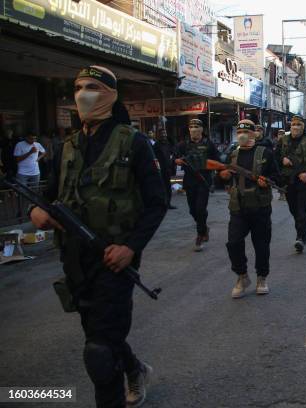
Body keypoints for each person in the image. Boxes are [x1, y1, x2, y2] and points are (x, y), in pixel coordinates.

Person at [29, 65, 167, 408]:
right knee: (100, 335)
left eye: (91, 86)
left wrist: (130, 248)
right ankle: (135, 370)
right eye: (77, 87)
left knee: (99, 354)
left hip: (115, 259)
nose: (82, 94)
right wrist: (38, 214)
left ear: (110, 94)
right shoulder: (67, 147)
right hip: (76, 259)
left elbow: (157, 203)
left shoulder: (133, 143)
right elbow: (47, 197)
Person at [218, 119, 279, 298]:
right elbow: (222, 179)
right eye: (238, 132)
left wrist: (266, 181)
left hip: (260, 207)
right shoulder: (232, 155)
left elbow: (277, 176)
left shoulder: (265, 153)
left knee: (261, 244)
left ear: (253, 133)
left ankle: (262, 277)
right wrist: (223, 176)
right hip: (238, 207)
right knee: (233, 243)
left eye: (245, 132)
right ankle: (242, 276)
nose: (242, 135)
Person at [275, 115, 306, 253]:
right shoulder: (283, 141)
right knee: (294, 209)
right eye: (294, 124)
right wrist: (282, 159)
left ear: (303, 127)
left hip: (304, 183)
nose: (296, 127)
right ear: (290, 126)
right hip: (289, 182)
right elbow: (274, 158)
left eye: (299, 124)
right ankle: (303, 230)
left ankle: (300, 237)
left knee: (302, 209)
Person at [176, 119, 220, 251]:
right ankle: (204, 227)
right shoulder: (183, 145)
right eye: (191, 127)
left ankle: (200, 235)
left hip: (204, 180)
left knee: (200, 208)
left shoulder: (209, 144)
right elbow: (176, 158)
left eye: (196, 126)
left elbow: (217, 160)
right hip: (189, 181)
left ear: (202, 129)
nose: (194, 129)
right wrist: (177, 160)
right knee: (192, 210)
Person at [153, 128, 176, 209]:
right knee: (161, 187)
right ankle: (162, 204)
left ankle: (168, 203)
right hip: (160, 170)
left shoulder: (168, 143)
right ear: (159, 135)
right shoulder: (156, 145)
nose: (164, 135)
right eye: (162, 134)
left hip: (167, 169)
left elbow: (172, 153)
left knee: (168, 187)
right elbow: (153, 158)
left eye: (165, 133)